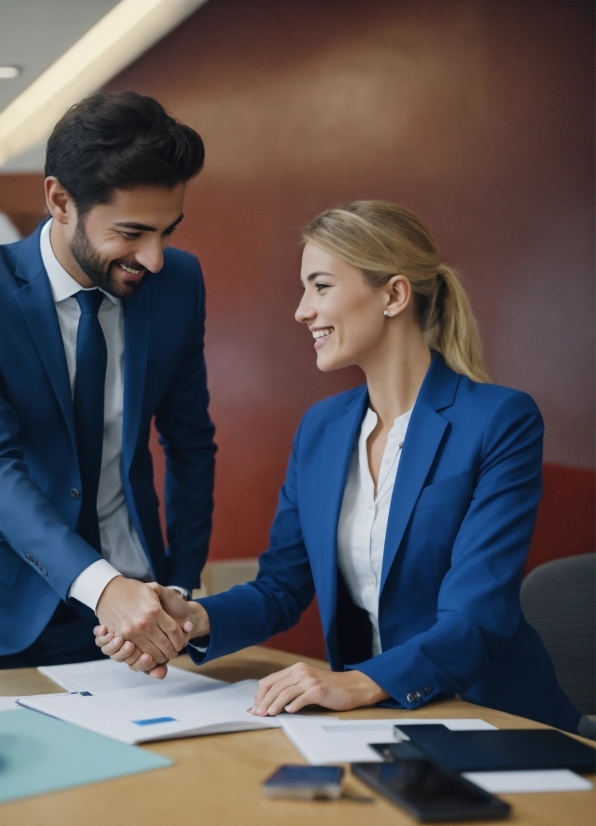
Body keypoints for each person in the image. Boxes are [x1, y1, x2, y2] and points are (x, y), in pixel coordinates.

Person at [95, 201, 581, 734]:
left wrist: (362, 681)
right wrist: (191, 619)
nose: (302, 310)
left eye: (320, 286)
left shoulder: (498, 419)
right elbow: (282, 587)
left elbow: (476, 618)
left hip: (495, 717)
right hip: (372, 722)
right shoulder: (322, 428)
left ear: (394, 295)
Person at [0, 92, 216, 668]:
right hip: (13, 612)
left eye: (168, 231)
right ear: (60, 200)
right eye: (132, 233)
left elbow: (189, 440)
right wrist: (101, 586)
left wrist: (182, 582)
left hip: (139, 609)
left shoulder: (179, 283)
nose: (155, 259)